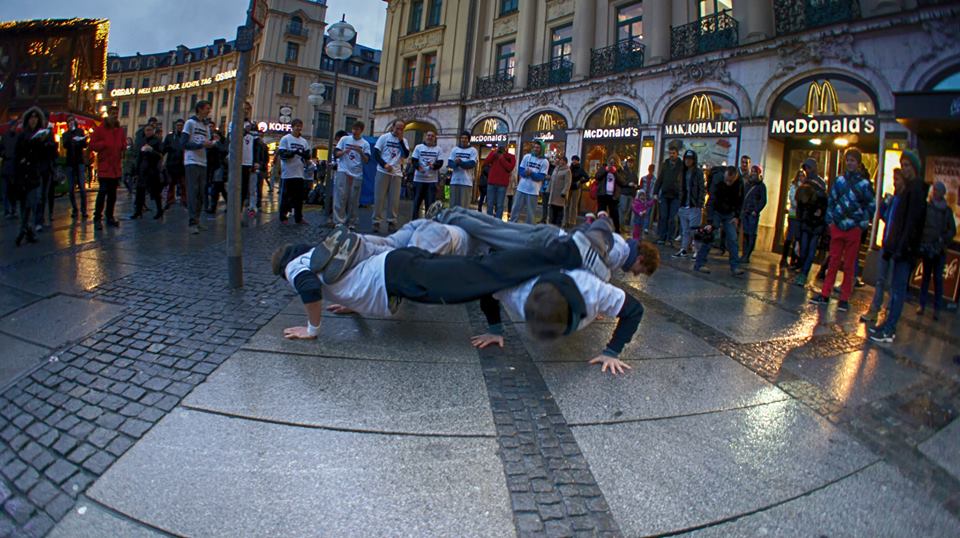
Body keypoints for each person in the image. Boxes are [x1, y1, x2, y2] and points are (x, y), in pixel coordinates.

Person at [868, 150, 926, 342]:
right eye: (903, 165)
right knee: (894, 288)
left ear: (915, 168)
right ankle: (887, 325)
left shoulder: (915, 190)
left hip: (904, 251)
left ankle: (890, 328)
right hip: (897, 248)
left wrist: (902, 248)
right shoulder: (907, 190)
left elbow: (911, 224)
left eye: (908, 165)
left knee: (897, 290)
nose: (904, 169)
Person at [810, 148, 875, 312]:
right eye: (848, 160)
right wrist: (831, 221)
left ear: (858, 163)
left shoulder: (864, 184)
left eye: (853, 160)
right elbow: (831, 201)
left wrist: (861, 224)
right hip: (838, 227)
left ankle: (844, 298)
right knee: (833, 261)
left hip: (853, 228)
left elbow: (871, 205)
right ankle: (825, 294)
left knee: (849, 265)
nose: (850, 163)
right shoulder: (839, 181)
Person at [861, 169, 905, 324]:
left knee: (893, 283)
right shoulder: (892, 199)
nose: (895, 182)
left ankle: (889, 314)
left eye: (897, 179)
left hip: (896, 247)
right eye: (894, 179)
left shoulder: (904, 201)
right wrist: (883, 206)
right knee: (880, 279)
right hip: (886, 244)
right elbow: (885, 218)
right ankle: (874, 310)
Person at [13, 107, 55, 245]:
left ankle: (24, 229)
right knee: (24, 202)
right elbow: (17, 153)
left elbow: (48, 154)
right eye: (31, 118)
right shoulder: (22, 135)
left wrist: (45, 143)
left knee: (32, 200)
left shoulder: (43, 134)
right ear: (27, 119)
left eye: (36, 118)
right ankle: (27, 229)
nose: (33, 120)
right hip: (23, 172)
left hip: (35, 173)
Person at [694, 166, 745, 276]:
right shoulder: (717, 179)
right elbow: (711, 200)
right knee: (709, 235)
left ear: (735, 178)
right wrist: (710, 221)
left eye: (730, 181)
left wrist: (737, 216)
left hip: (729, 213)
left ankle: (735, 267)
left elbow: (740, 200)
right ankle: (700, 263)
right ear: (724, 175)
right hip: (716, 210)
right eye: (726, 180)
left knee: (732, 239)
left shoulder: (739, 183)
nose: (728, 183)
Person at [917, 181, 957, 320]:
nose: (935, 192)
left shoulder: (947, 211)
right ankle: (921, 304)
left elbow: (952, 230)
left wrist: (943, 239)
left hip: (939, 250)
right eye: (934, 190)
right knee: (925, 277)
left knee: (938, 280)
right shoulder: (927, 207)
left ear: (942, 192)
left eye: (937, 190)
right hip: (927, 248)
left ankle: (937, 309)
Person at [181, 100, 215, 234]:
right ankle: (191, 222)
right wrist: (202, 145)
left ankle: (197, 219)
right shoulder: (190, 123)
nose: (208, 111)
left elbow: (206, 142)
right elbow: (184, 143)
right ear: (199, 109)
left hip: (203, 162)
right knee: (193, 191)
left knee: (201, 192)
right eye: (207, 108)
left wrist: (211, 144)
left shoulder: (206, 126)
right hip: (191, 161)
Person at [89, 105, 126, 230]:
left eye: (116, 113)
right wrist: (104, 145)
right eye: (113, 113)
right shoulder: (100, 129)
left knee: (112, 194)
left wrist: (123, 146)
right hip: (105, 166)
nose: (115, 115)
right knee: (102, 192)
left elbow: (123, 143)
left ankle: (109, 216)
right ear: (108, 114)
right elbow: (92, 144)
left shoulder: (119, 130)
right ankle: (97, 218)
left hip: (115, 167)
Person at [794, 159, 828, 286]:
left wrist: (819, 212)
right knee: (803, 250)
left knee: (811, 250)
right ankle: (802, 271)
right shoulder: (805, 183)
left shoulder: (820, 184)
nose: (806, 171)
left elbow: (824, 203)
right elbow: (799, 206)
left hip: (816, 224)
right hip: (805, 222)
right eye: (805, 168)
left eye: (808, 168)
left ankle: (804, 273)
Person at [373, 120, 410, 233]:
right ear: (392, 127)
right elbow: (376, 153)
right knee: (379, 198)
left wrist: (401, 142)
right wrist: (384, 164)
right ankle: (376, 222)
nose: (399, 131)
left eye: (401, 129)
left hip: (396, 173)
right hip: (383, 171)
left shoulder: (404, 140)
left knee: (394, 200)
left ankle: (392, 222)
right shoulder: (384, 138)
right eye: (397, 128)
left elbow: (406, 154)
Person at [333, 121, 372, 228]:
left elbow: (367, 160)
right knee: (341, 196)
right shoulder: (344, 139)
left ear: (361, 130)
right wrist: (344, 151)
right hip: (343, 170)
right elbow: (336, 153)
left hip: (357, 173)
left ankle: (352, 221)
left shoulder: (365, 144)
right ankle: (339, 221)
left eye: (357, 130)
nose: (354, 132)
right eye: (353, 129)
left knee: (353, 199)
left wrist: (360, 152)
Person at [277, 119, 311, 225]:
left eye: (300, 126)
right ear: (292, 127)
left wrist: (303, 155)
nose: (298, 128)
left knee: (298, 198)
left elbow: (307, 155)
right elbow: (282, 154)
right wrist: (294, 152)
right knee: (285, 197)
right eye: (296, 126)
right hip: (288, 173)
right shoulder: (286, 139)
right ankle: (283, 217)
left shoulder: (304, 141)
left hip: (299, 173)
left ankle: (298, 218)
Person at [672, 149, 704, 258]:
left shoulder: (698, 172)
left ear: (694, 160)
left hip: (694, 205)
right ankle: (684, 249)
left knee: (694, 230)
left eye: (690, 159)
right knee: (685, 230)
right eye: (686, 159)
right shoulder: (683, 172)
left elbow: (701, 188)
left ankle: (697, 251)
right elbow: (680, 187)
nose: (688, 161)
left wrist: (700, 204)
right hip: (683, 205)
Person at [132, 123, 164, 220]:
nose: (148, 132)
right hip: (142, 169)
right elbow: (138, 157)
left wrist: (151, 150)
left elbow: (160, 155)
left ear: (153, 131)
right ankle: (138, 211)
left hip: (152, 169)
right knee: (139, 192)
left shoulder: (157, 141)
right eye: (147, 130)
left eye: (150, 130)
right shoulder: (141, 141)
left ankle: (159, 210)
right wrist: (136, 171)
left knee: (155, 192)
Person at [511, 142, 549, 223]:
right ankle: (512, 225)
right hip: (521, 188)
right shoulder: (527, 156)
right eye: (534, 147)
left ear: (541, 149)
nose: (535, 149)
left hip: (533, 191)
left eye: (538, 147)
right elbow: (520, 170)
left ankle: (528, 229)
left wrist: (531, 173)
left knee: (530, 213)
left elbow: (541, 177)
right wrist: (525, 173)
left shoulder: (545, 161)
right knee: (515, 209)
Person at [409, 129, 442, 220]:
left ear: (435, 138)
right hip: (418, 179)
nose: (430, 137)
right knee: (416, 203)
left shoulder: (438, 149)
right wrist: (418, 167)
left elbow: (440, 162)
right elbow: (414, 160)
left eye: (432, 136)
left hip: (431, 181)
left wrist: (434, 166)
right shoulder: (418, 147)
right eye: (428, 135)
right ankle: (414, 221)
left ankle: (429, 223)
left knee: (430, 204)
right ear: (425, 136)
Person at [654, 146, 683, 245]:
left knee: (672, 218)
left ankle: (670, 238)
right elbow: (660, 178)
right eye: (670, 153)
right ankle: (662, 237)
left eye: (673, 153)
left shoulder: (681, 165)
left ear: (677, 154)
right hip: (665, 194)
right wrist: (655, 192)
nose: (671, 155)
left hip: (675, 195)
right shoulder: (665, 164)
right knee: (663, 216)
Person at [61, 116, 88, 220]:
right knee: (71, 189)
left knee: (82, 187)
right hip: (70, 163)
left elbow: (84, 145)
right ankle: (75, 209)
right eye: (68, 121)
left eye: (72, 121)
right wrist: (71, 137)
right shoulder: (65, 134)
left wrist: (81, 140)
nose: (70, 123)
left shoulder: (80, 131)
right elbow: (65, 145)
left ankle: (84, 210)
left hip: (79, 162)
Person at [740, 164, 767, 264]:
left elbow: (763, 200)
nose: (753, 173)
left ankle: (747, 255)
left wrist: (756, 210)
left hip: (752, 213)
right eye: (752, 171)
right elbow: (743, 196)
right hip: (745, 212)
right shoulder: (748, 184)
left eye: (755, 171)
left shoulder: (761, 186)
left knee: (751, 234)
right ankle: (744, 254)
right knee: (746, 234)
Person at [594, 157, 628, 234]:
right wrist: (605, 170)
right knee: (601, 213)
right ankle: (600, 229)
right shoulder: (603, 168)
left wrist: (615, 172)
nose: (612, 164)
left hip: (613, 196)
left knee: (614, 214)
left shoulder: (619, 171)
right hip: (602, 194)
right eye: (610, 162)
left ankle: (616, 230)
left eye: (613, 162)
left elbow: (623, 182)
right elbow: (597, 177)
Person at [483, 143, 516, 219]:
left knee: (500, 205)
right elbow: (486, 162)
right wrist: (493, 153)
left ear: (506, 147)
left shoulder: (511, 156)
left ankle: (497, 222)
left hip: (502, 184)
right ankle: (489, 220)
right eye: (500, 146)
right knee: (490, 203)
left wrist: (502, 158)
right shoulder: (494, 154)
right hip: (491, 182)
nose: (502, 148)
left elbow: (510, 168)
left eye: (503, 146)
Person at [779, 169, 804, 269]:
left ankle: (793, 259)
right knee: (790, 236)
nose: (801, 177)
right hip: (793, 214)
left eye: (803, 175)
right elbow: (793, 200)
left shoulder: (804, 187)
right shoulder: (794, 187)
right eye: (800, 175)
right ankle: (784, 258)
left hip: (800, 216)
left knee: (797, 238)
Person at [448, 130, 479, 209]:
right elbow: (450, 164)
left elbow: (471, 164)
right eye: (462, 138)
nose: (463, 140)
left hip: (466, 182)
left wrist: (460, 162)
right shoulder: (455, 149)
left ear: (468, 139)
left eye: (465, 138)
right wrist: (456, 164)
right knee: (453, 205)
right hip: (454, 181)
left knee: (463, 206)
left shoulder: (473, 150)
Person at [162, 119, 186, 209]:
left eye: (181, 125)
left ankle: (184, 200)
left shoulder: (185, 136)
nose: (179, 127)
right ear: (175, 126)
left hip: (182, 164)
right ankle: (170, 199)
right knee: (171, 183)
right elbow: (164, 148)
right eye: (178, 125)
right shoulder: (170, 136)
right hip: (172, 163)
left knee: (183, 184)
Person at [547, 155, 571, 226]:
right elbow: (551, 180)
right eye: (560, 160)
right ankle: (552, 225)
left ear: (565, 162)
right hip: (553, 194)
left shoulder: (567, 171)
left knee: (559, 211)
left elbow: (568, 183)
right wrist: (548, 189)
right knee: (552, 211)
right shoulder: (556, 169)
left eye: (563, 161)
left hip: (560, 195)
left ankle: (558, 226)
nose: (561, 162)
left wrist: (564, 192)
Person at [1, 121, 18, 220]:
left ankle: (13, 209)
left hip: (13, 166)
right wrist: (4, 153)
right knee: (6, 191)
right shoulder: (5, 137)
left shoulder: (17, 136)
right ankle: (8, 210)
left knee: (13, 191)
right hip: (6, 166)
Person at [566, 155, 588, 228]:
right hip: (569, 188)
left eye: (575, 160)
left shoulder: (580, 169)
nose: (574, 161)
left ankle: (572, 221)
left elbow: (587, 177)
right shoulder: (569, 168)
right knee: (567, 204)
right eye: (573, 160)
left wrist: (580, 182)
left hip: (576, 188)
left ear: (578, 161)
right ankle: (566, 220)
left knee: (574, 205)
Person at [618, 158, 638, 231]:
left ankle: (622, 226)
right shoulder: (623, 171)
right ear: (627, 163)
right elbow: (621, 181)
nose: (630, 164)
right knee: (622, 209)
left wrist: (636, 186)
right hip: (624, 193)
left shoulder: (634, 172)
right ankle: (619, 226)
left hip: (631, 194)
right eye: (629, 162)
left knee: (627, 211)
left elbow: (636, 181)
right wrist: (628, 184)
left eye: (632, 163)